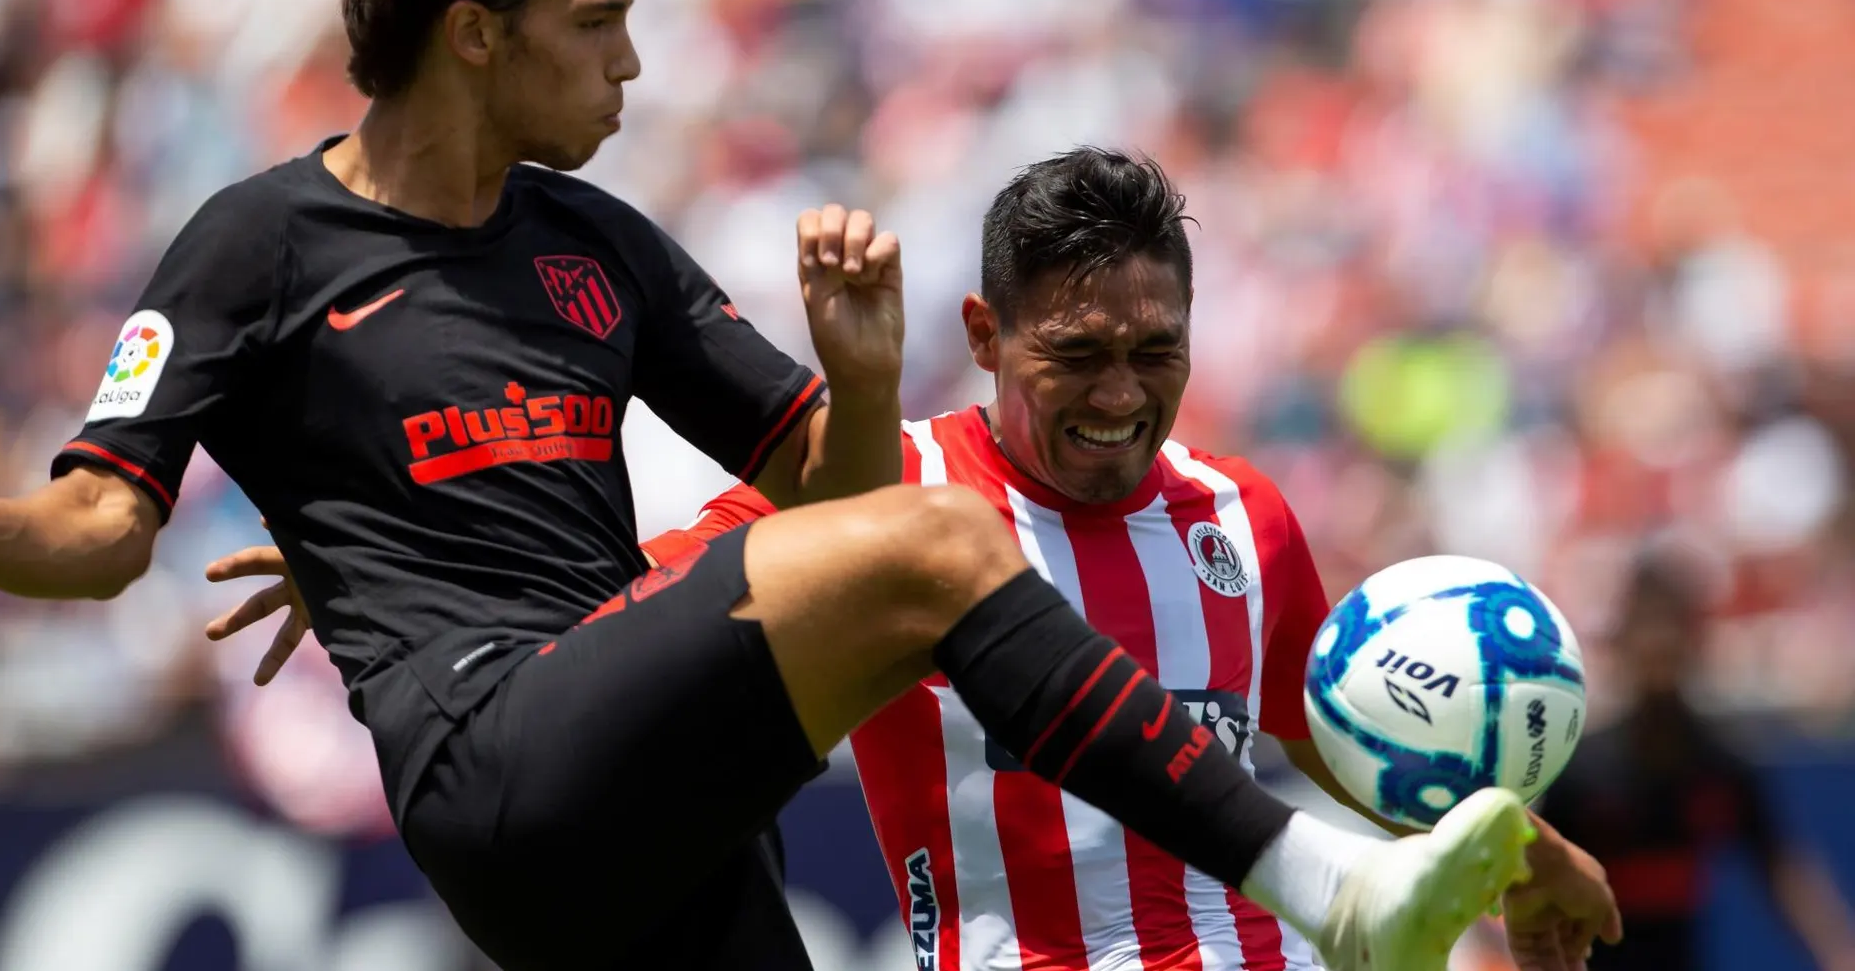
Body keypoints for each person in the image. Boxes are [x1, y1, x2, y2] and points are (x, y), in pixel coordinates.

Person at [199, 143, 1615, 970]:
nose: (1122, 392)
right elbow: (626, 639)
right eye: (1077, 354)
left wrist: (1522, 851)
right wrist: (392, 563)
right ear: (987, 336)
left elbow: (1355, 745)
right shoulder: (884, 514)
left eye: (1155, 351)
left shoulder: (1245, 515)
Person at [1538, 548, 1855, 971]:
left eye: (1670, 625)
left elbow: (1782, 870)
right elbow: (1536, 885)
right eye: (1646, 626)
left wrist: (1839, 955)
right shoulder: (1580, 770)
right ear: (1623, 643)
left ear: (1694, 639)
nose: (1659, 643)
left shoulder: (1722, 765)